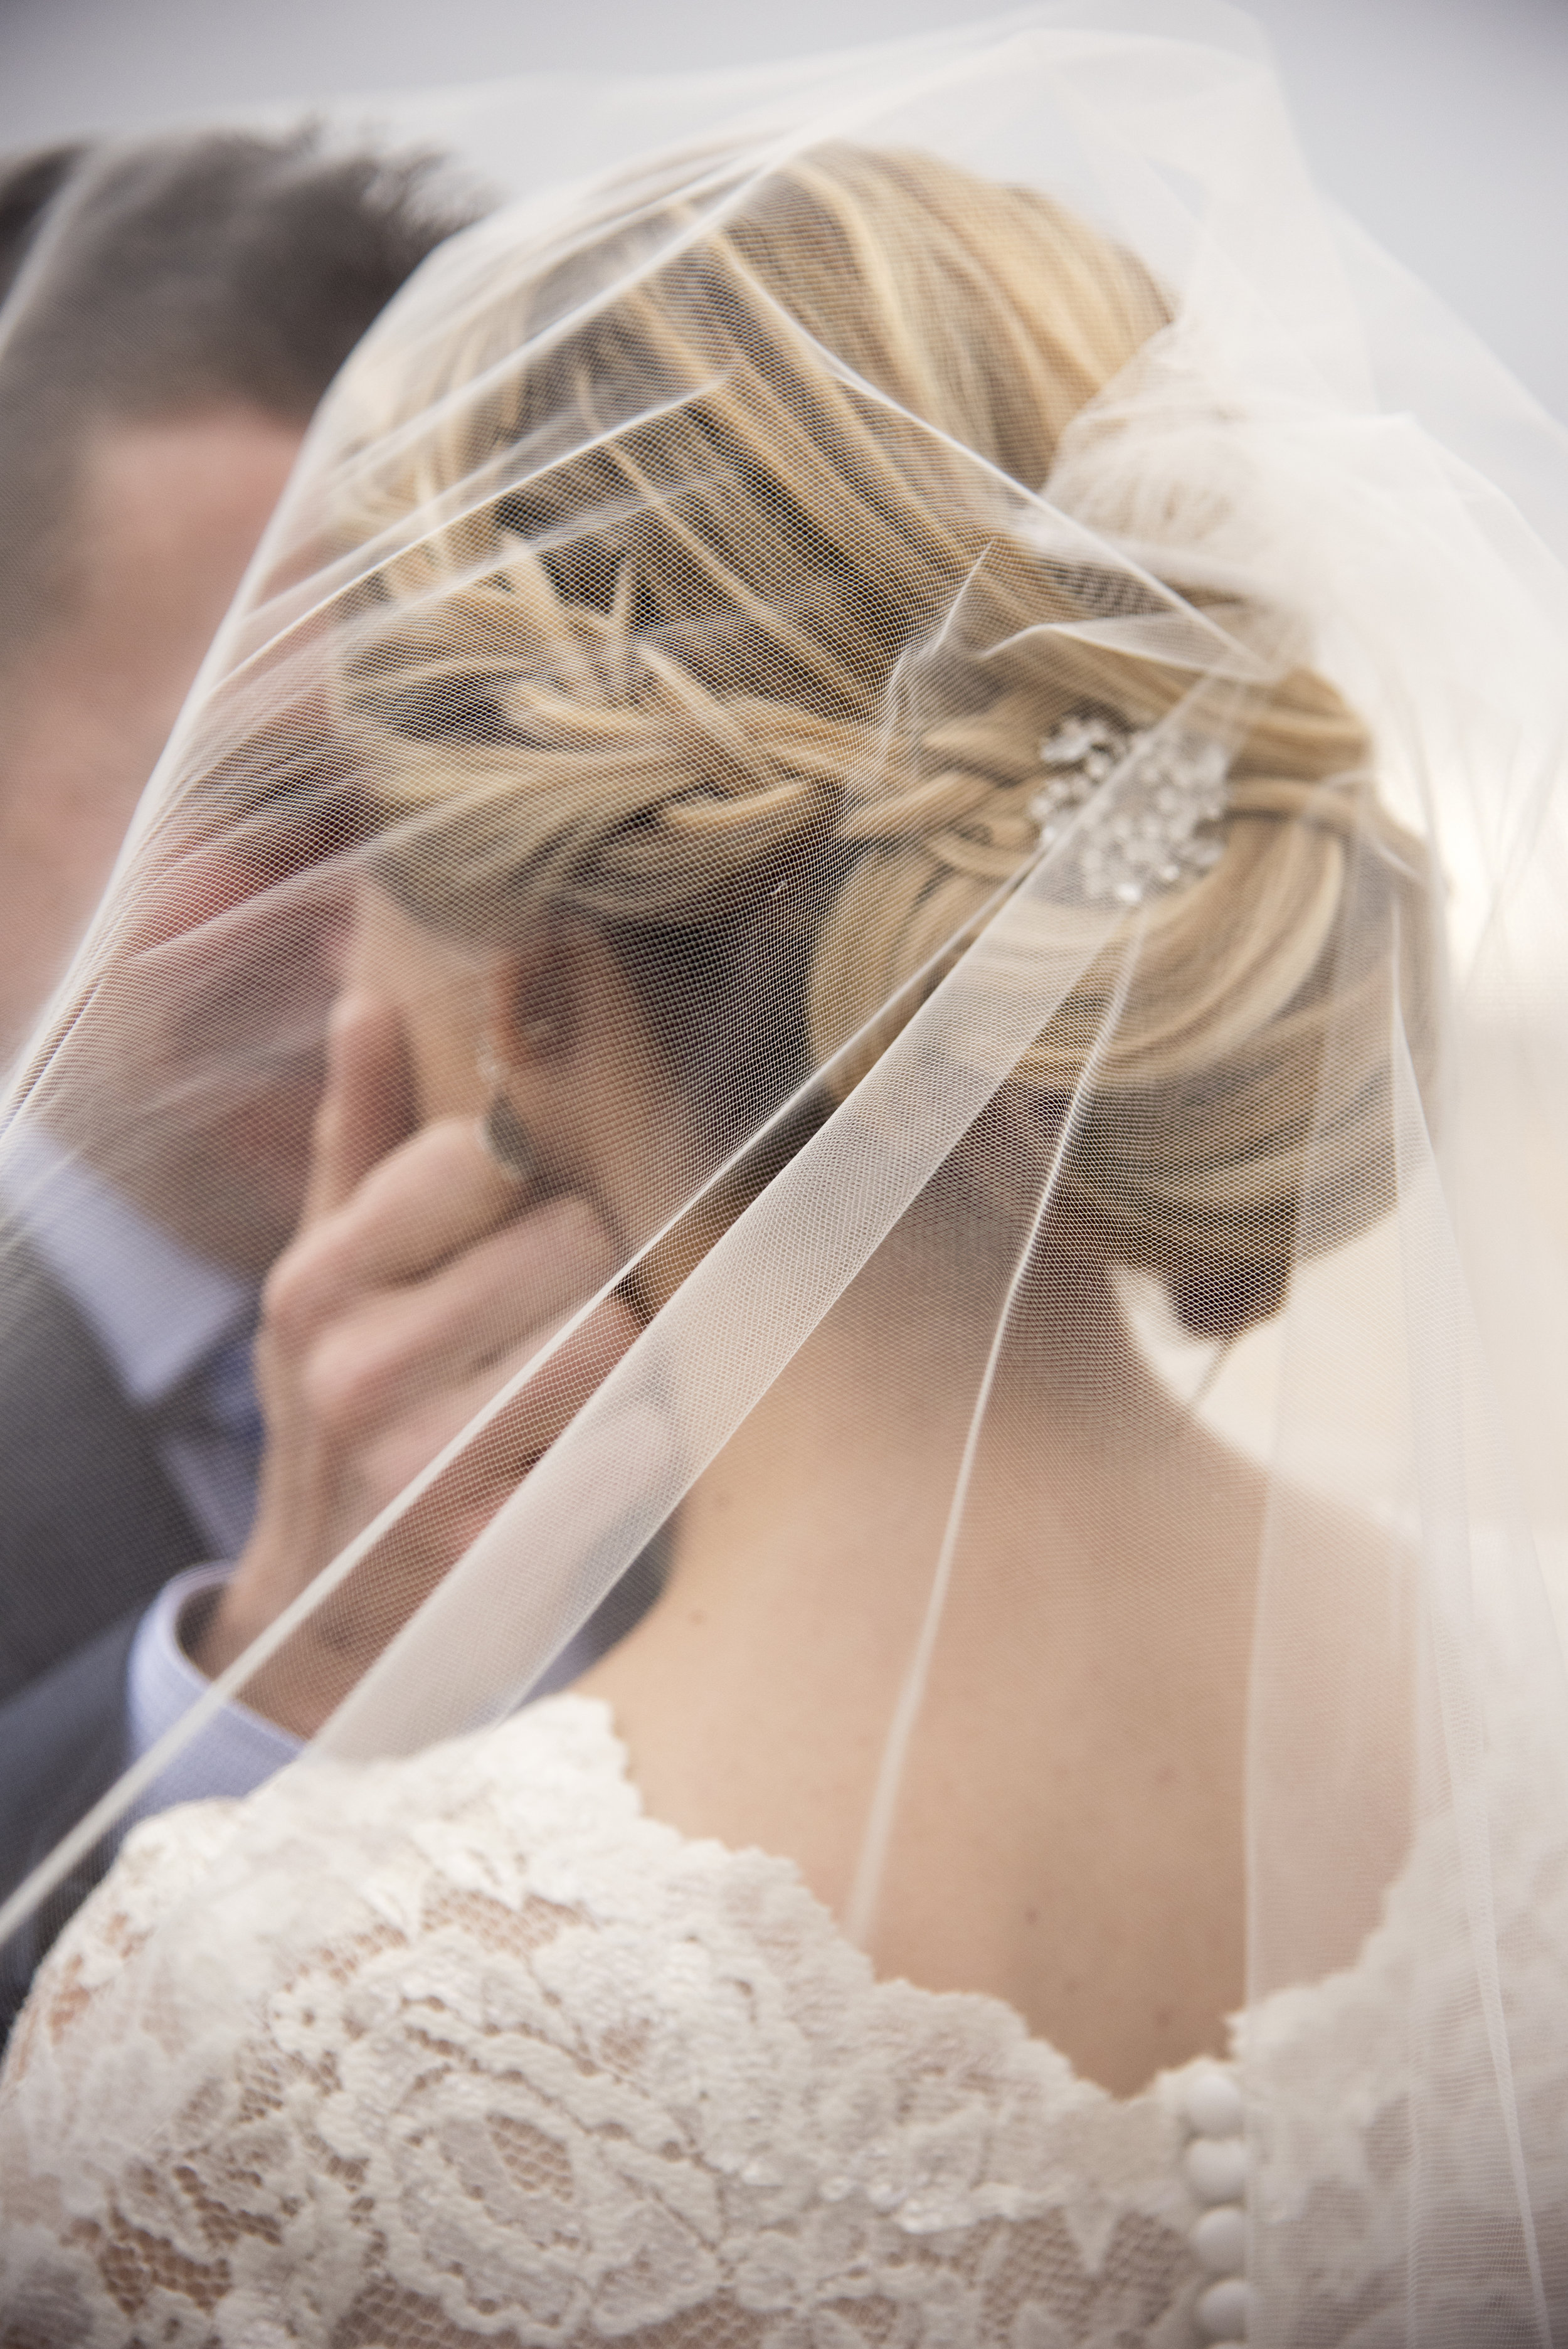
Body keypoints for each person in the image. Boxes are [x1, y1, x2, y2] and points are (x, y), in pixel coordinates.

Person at [3, 16, 1567, 2341]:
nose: (333, 957)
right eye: (254, 794)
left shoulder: (255, 2031)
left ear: (526, 969)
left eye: (384, 819)